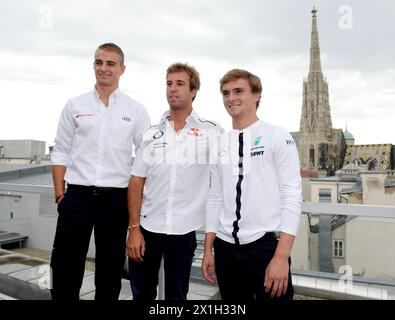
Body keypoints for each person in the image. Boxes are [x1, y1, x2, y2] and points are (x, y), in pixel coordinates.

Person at [50, 43, 150, 300]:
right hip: (77, 198)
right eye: (98, 62)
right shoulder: (74, 105)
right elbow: (61, 150)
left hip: (115, 201)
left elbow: (145, 158)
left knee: (109, 270)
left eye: (110, 64)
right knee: (64, 268)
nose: (103, 68)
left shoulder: (135, 109)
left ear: (122, 69)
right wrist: (61, 194)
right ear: (93, 65)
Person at [202, 69, 302, 300]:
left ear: (256, 95)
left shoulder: (277, 136)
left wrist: (280, 257)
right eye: (226, 93)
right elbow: (215, 197)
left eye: (239, 91)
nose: (231, 98)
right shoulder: (220, 143)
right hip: (226, 249)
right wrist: (208, 249)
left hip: (264, 248)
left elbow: (292, 196)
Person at [126, 63, 221, 300]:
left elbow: (223, 183)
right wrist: (134, 230)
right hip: (147, 229)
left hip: (184, 230)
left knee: (176, 297)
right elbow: (136, 182)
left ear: (193, 91)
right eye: (169, 83)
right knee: (141, 294)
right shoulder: (151, 134)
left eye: (180, 84)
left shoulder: (211, 132)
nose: (173, 89)